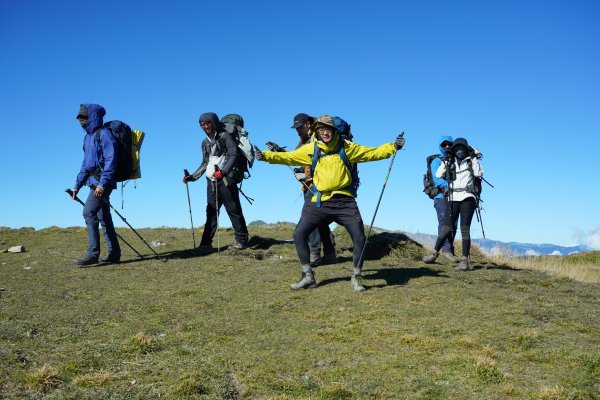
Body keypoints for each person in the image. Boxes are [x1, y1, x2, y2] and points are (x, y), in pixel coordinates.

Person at [255, 114, 405, 292]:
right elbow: (289, 157)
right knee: (298, 234)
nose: (325, 133)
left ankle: (356, 277)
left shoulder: (347, 147)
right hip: (320, 201)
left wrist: (393, 147)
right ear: (316, 131)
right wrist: (265, 156)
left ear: (334, 130)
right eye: (321, 130)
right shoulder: (311, 148)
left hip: (344, 201)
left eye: (328, 129)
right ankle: (308, 276)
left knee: (359, 238)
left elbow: (372, 153)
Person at [269, 113, 337, 265]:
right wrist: (280, 152)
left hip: (316, 185)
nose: (297, 130)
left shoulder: (316, 138)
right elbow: (295, 157)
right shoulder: (304, 140)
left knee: (310, 218)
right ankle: (330, 254)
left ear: (308, 124)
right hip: (312, 184)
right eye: (296, 128)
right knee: (320, 220)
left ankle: (314, 254)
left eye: (299, 127)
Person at [183, 112, 249, 253]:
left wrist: (223, 172)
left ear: (214, 122)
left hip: (225, 179)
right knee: (211, 212)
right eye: (202, 124)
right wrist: (192, 177)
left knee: (233, 210)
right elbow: (205, 162)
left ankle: (241, 241)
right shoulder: (205, 142)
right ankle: (205, 244)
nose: (205, 126)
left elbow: (234, 154)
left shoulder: (225, 136)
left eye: (208, 123)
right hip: (211, 181)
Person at [422, 137, 483, 270]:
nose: (460, 151)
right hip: (453, 197)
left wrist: (474, 156)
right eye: (457, 149)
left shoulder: (471, 161)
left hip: (467, 197)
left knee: (464, 229)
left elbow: (478, 174)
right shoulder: (451, 162)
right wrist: (447, 161)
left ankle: (464, 260)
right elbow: (438, 174)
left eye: (462, 149)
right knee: (446, 227)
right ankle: (434, 253)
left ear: (467, 149)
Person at [71, 104, 121, 266]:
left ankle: (92, 254)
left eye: (83, 117)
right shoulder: (88, 137)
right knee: (102, 216)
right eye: (79, 118)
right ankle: (114, 254)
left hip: (103, 182)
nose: (80, 121)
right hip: (94, 182)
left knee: (88, 212)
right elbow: (85, 164)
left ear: (92, 116)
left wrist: (102, 184)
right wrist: (77, 186)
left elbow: (110, 160)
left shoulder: (104, 134)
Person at [431, 136, 459, 262]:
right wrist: (452, 185)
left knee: (454, 223)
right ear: (440, 146)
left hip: (456, 196)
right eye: (444, 144)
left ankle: (449, 249)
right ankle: (445, 251)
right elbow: (436, 179)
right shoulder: (437, 161)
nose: (447, 146)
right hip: (441, 197)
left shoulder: (457, 160)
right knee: (444, 222)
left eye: (449, 144)